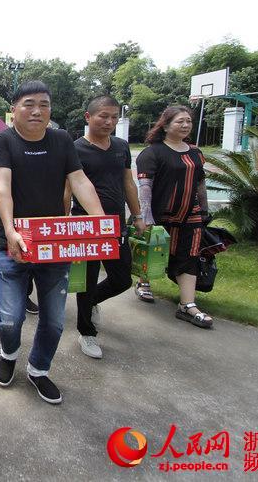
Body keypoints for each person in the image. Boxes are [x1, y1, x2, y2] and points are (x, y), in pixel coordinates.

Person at [0, 81, 104, 405]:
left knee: (53, 321)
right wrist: (10, 230)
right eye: (29, 104)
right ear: (14, 109)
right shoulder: (2, 141)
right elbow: (3, 188)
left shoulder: (62, 140)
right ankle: (8, 353)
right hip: (10, 247)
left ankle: (39, 369)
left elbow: (79, 181)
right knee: (10, 317)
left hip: (54, 245)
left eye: (44, 104)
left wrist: (100, 222)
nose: (37, 111)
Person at [69, 96, 146, 359]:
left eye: (114, 116)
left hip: (116, 225)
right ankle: (87, 333)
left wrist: (137, 215)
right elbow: (67, 189)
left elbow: (128, 183)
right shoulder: (74, 149)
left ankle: (91, 304)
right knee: (86, 281)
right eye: (103, 116)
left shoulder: (121, 147)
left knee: (122, 279)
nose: (109, 121)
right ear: (88, 117)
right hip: (85, 226)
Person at [136, 105, 214, 328]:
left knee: (189, 256)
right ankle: (143, 282)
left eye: (188, 121)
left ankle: (187, 305)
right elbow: (145, 187)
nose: (185, 125)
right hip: (161, 214)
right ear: (166, 124)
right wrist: (146, 217)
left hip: (191, 215)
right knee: (154, 252)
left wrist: (204, 210)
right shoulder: (152, 153)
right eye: (180, 121)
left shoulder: (195, 153)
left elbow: (200, 182)